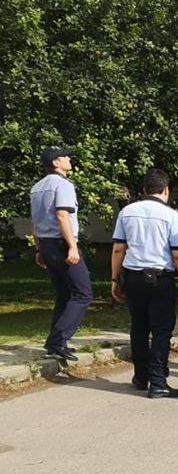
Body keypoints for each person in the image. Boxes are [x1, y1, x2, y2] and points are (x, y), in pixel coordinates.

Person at [110, 169, 178, 398]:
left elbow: (119, 248)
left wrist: (114, 279)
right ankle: (158, 382)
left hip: (132, 277)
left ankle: (141, 377)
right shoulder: (172, 216)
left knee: (138, 328)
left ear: (143, 190)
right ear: (166, 190)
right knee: (160, 331)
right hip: (160, 279)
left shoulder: (127, 212)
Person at [30, 146, 92, 362]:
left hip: (46, 245)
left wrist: (39, 249)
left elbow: (35, 222)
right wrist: (72, 246)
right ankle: (59, 339)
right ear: (56, 162)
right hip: (61, 244)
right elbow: (62, 215)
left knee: (64, 295)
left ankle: (55, 342)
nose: (69, 159)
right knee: (83, 294)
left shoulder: (37, 188)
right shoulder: (62, 185)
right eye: (65, 156)